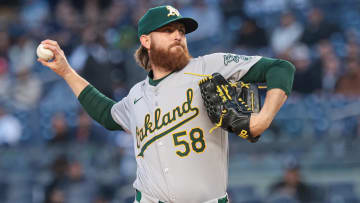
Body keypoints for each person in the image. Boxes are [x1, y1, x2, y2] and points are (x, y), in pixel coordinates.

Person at [38, 5, 295, 203]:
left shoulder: (208, 67)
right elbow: (107, 114)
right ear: (146, 41)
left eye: (181, 31)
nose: (178, 36)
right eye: (168, 30)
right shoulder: (137, 94)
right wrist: (66, 71)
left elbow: (280, 68)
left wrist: (261, 120)